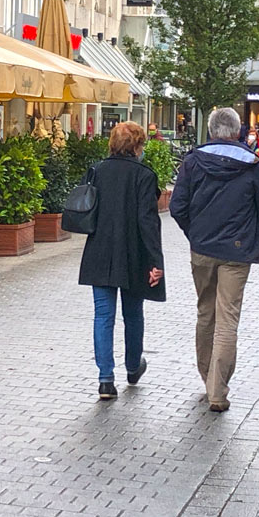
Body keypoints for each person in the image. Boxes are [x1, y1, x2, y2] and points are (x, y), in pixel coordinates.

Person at [170, 107, 259, 413]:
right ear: (237, 131)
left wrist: (195, 233)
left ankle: (207, 376)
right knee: (227, 318)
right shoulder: (251, 165)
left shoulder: (193, 161)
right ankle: (217, 389)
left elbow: (178, 205)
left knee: (206, 313)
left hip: (203, 249)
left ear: (210, 130)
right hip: (237, 251)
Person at [77, 121, 165, 400]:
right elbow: (148, 223)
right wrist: (155, 261)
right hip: (133, 254)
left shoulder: (97, 171)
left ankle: (105, 379)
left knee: (103, 316)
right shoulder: (144, 175)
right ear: (137, 146)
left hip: (99, 252)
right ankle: (132, 366)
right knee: (133, 314)